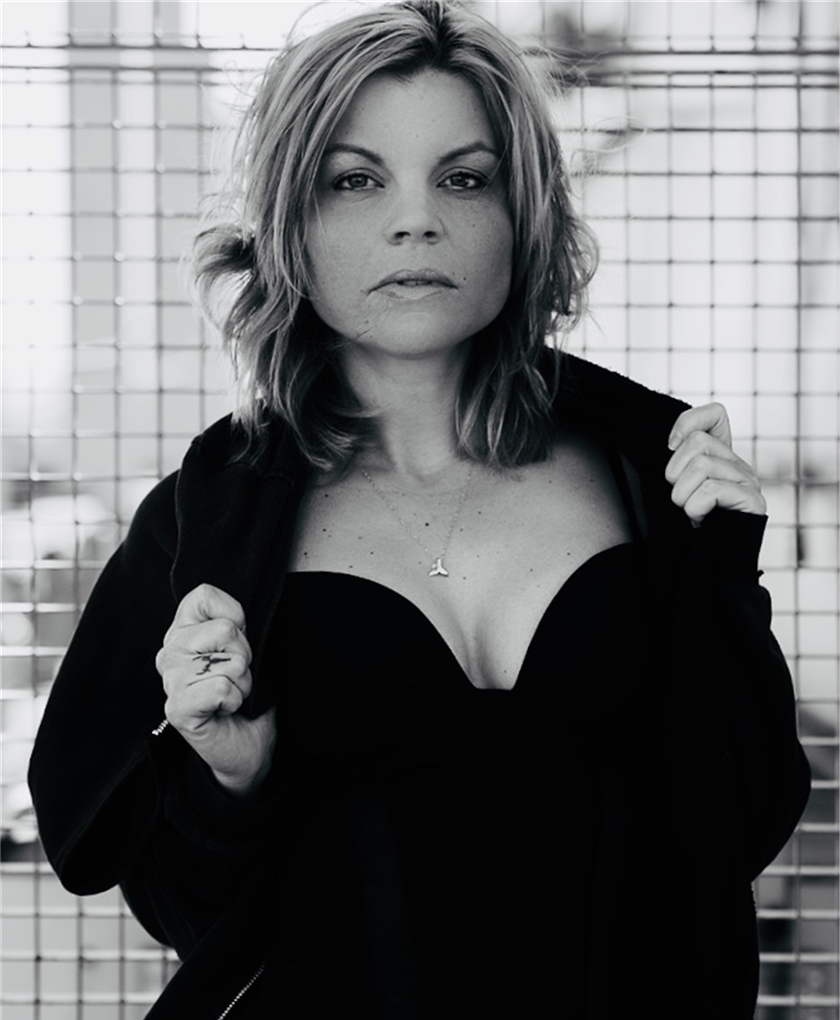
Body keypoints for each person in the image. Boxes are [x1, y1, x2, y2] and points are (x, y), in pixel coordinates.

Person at [29, 2, 810, 1017]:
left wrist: (725, 576)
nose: (415, 220)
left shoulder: (649, 480)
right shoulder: (207, 525)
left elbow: (737, 826)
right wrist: (233, 780)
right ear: (291, 225)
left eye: (464, 177)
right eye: (355, 180)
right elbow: (184, 909)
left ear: (522, 214)